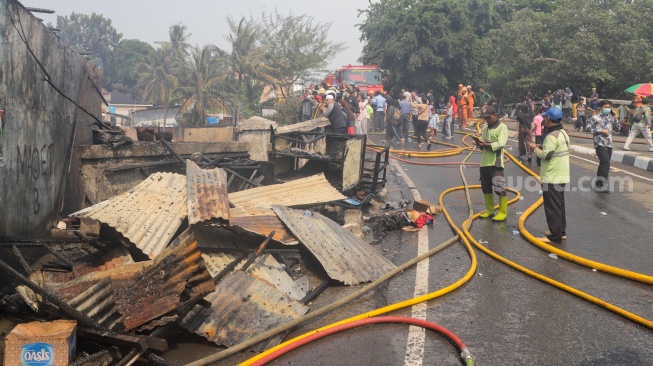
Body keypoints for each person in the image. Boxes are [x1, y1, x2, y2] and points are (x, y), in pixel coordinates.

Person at [528, 107, 570, 245]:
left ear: (549, 119)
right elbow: (555, 150)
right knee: (559, 205)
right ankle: (560, 232)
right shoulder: (562, 133)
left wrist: (534, 148)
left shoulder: (551, 136)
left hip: (552, 176)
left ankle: (554, 236)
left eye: (545, 118)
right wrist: (542, 145)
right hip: (562, 175)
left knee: (552, 207)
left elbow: (547, 155)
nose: (544, 120)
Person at [475, 105, 509, 221]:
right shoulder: (486, 128)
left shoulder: (502, 127)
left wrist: (486, 145)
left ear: (495, 115)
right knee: (486, 188)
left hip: (496, 163)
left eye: (489, 117)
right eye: (485, 118)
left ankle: (502, 212)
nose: (487, 120)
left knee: (499, 188)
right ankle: (490, 211)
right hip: (485, 162)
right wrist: (479, 144)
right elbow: (483, 144)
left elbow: (501, 143)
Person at [587, 100, 614, 193]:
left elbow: (617, 129)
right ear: (601, 108)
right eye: (606, 107)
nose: (607, 109)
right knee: (605, 162)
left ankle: (599, 184)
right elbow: (588, 129)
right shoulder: (595, 118)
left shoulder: (611, 118)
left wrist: (617, 120)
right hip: (599, 143)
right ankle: (602, 185)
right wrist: (600, 130)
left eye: (609, 107)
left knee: (604, 163)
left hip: (609, 143)